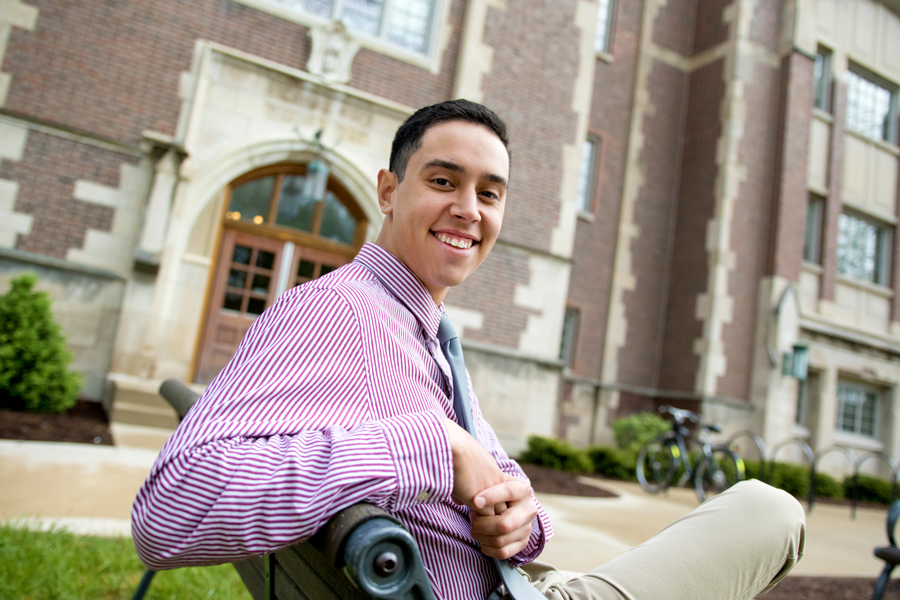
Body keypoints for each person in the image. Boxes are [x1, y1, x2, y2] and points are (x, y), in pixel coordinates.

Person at [132, 100, 805, 600]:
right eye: (444, 181)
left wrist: (523, 521)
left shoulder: (420, 327)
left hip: (508, 584)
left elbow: (495, 474)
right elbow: (167, 513)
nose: (469, 209)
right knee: (769, 511)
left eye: (490, 193)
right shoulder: (338, 310)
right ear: (389, 191)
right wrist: (427, 447)